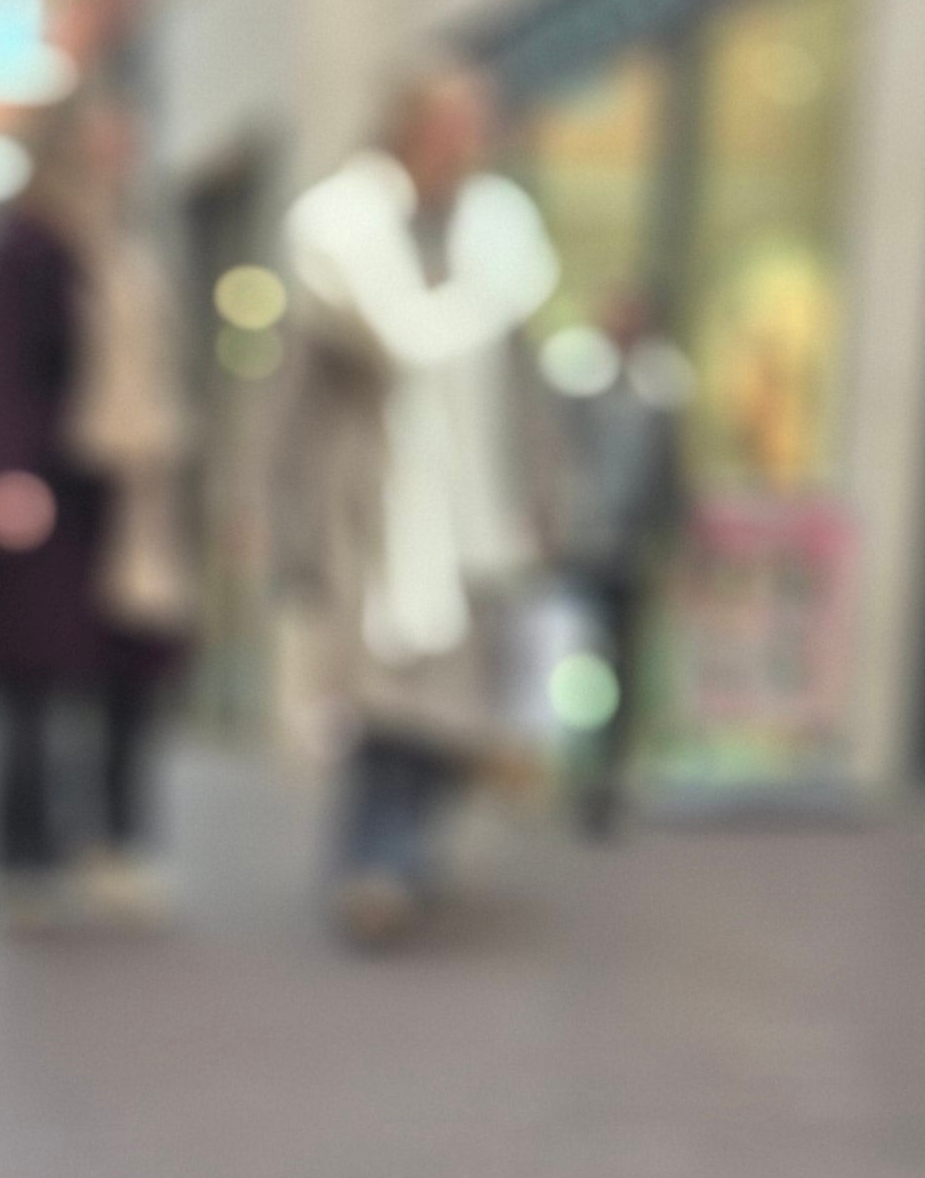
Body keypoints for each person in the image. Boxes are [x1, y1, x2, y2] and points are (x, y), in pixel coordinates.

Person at [279, 63, 561, 945]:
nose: (471, 140)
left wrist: (547, 496)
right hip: (381, 512)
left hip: (478, 516)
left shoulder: (498, 240)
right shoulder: (347, 234)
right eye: (454, 123)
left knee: (456, 711)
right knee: (386, 699)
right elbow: (299, 399)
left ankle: (400, 856)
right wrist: (285, 509)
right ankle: (376, 865)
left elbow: (524, 387)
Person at [0, 87, 195, 928]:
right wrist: (7, 474)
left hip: (130, 501)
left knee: (129, 679)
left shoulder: (131, 244)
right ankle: (24, 853)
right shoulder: (25, 246)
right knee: (32, 681)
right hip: (49, 495)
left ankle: (116, 843)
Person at [546, 287, 692, 837]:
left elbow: (669, 480)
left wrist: (673, 545)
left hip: (629, 554)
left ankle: (606, 776)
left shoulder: (659, 395)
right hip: (579, 551)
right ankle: (572, 768)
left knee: (623, 670)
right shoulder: (574, 385)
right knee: (576, 663)